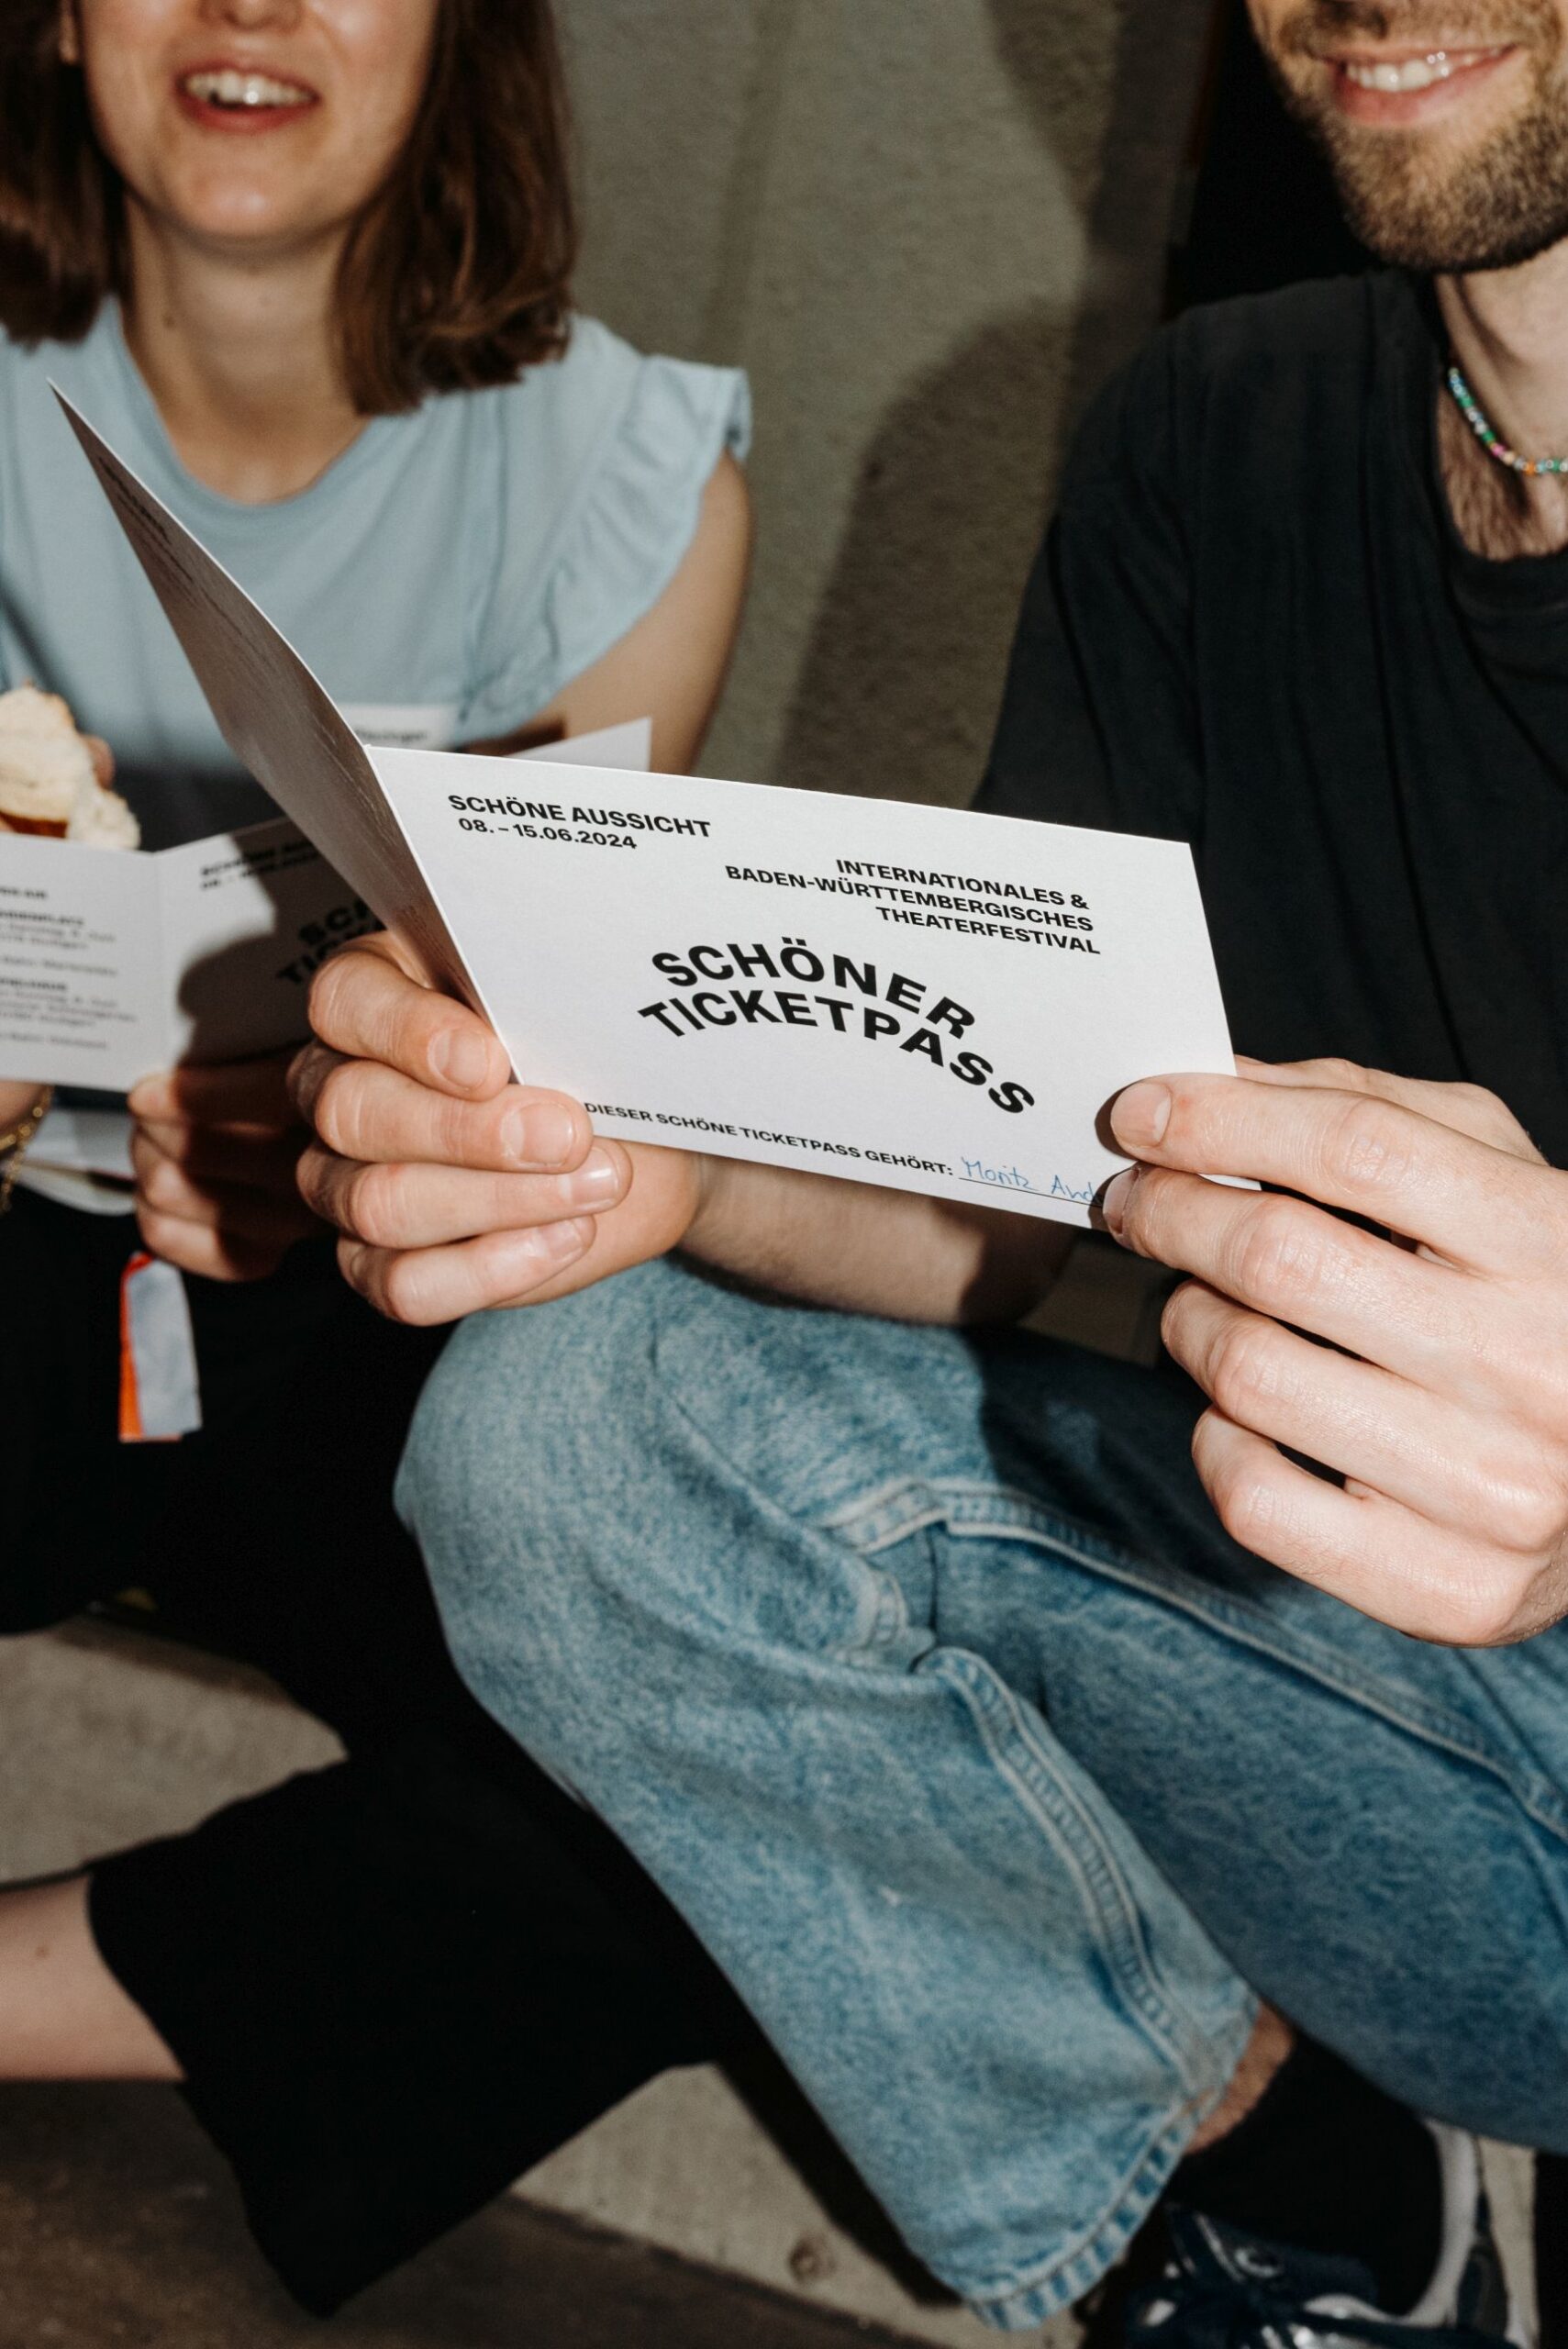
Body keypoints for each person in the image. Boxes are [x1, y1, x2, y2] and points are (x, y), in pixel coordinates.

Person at [292, 0, 1568, 2338]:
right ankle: (1283, 2189)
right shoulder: (1221, 436)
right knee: (571, 1418)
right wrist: (654, 1149)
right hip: (1422, 1745)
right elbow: (1010, 1189)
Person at [0, 0, 761, 2313]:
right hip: (23, 1253)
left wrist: (355, 1134)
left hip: (384, 1326)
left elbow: (553, 1101)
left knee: (735, 1771)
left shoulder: (627, 484)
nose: (249, 6)